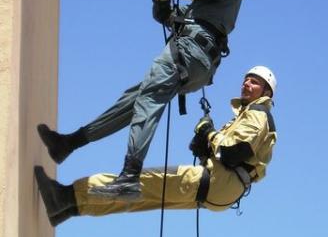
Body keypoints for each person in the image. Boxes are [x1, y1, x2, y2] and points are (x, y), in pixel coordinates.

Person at [37, 0, 258, 201]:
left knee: (148, 100)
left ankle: (129, 177)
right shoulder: (205, 7)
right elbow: (165, 16)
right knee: (133, 100)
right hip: (195, 58)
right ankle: (68, 143)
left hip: (189, 52)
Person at [34, 66, 277, 227]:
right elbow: (233, 154)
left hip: (217, 181)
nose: (246, 83)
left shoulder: (258, 113)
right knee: (137, 198)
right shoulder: (249, 116)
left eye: (254, 82)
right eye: (246, 79)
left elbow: (233, 151)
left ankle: (65, 197)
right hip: (221, 192)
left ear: (266, 92)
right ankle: (69, 207)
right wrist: (206, 145)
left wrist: (208, 134)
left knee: (134, 184)